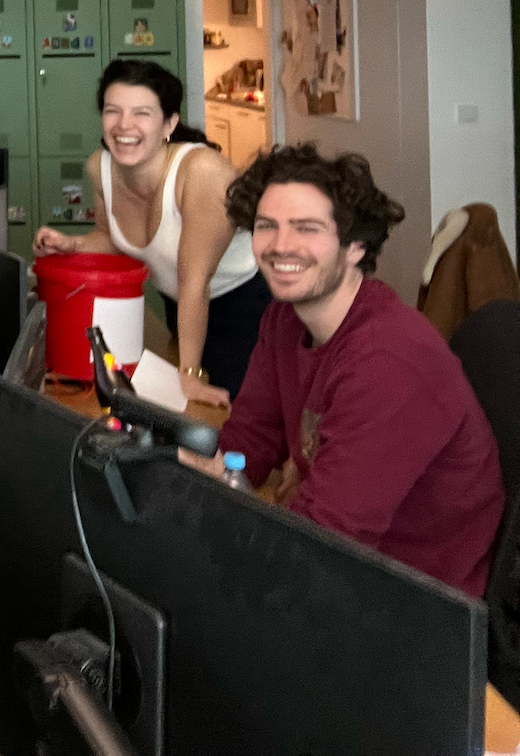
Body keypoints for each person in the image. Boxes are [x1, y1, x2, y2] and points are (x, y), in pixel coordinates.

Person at [186, 145, 504, 597]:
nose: (280, 246)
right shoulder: (284, 318)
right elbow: (251, 440)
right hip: (340, 566)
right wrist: (183, 475)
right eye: (266, 226)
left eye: (307, 229)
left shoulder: (388, 360)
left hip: (410, 603)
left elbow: (327, 540)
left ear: (355, 246)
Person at [33, 59, 269, 401]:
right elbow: (113, 238)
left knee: (235, 418)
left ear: (168, 123)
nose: (124, 125)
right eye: (113, 111)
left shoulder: (201, 171)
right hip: (184, 307)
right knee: (181, 412)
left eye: (141, 113)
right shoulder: (99, 168)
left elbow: (195, 281)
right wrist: (72, 244)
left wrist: (189, 374)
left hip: (245, 308)